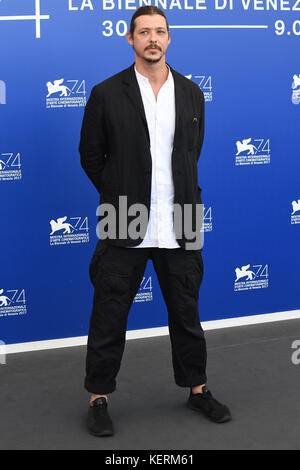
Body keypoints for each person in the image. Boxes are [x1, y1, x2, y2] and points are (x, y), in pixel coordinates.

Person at [79, 5, 231, 437]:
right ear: (130, 39)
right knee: (109, 315)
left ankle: (197, 390)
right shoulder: (107, 92)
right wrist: (117, 191)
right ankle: (98, 397)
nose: (152, 39)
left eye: (159, 32)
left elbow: (190, 153)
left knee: (187, 313)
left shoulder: (191, 92)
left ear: (169, 38)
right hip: (123, 215)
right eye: (143, 32)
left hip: (181, 216)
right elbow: (91, 155)